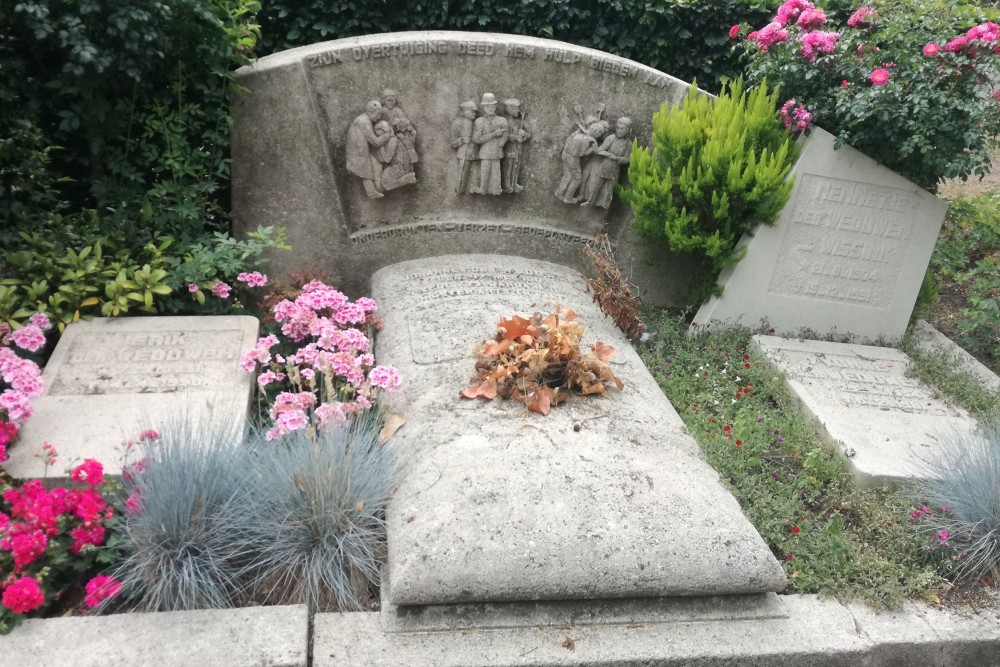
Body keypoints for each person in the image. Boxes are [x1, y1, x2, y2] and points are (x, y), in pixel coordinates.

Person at [582, 116, 632, 209]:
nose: (619, 131)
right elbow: (598, 150)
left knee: (610, 189)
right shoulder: (611, 138)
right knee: (597, 185)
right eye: (617, 128)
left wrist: (617, 158)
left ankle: (606, 206)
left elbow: (627, 159)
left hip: (615, 168)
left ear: (628, 130)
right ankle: (590, 201)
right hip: (605, 165)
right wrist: (607, 154)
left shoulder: (628, 143)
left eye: (622, 129)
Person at [345, 100, 392, 199]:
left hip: (358, 149)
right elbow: (375, 142)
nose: (379, 118)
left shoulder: (363, 119)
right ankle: (372, 193)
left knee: (366, 170)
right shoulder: (364, 122)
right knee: (365, 169)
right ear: (371, 112)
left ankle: (371, 192)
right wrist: (387, 135)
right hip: (358, 151)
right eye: (378, 114)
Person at [554, 120, 608, 204]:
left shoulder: (578, 134)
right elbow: (582, 154)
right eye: (599, 134)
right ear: (595, 131)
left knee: (567, 175)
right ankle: (568, 198)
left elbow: (569, 141)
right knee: (577, 179)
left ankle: (559, 192)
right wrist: (592, 149)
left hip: (565, 155)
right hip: (573, 158)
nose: (599, 136)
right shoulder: (589, 140)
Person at [471, 93, 508, 195]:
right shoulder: (479, 121)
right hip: (485, 151)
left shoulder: (502, 120)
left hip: (497, 150)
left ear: (495, 106)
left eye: (492, 106)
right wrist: (494, 134)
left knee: (496, 172)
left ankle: (496, 190)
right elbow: (477, 139)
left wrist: (501, 143)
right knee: (485, 172)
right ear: (483, 107)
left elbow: (506, 134)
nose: (491, 109)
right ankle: (483, 190)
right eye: (488, 106)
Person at [373, 120, 417, 191]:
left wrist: (380, 147)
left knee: (385, 182)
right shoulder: (393, 139)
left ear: (385, 132)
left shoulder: (392, 141)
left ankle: (408, 178)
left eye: (381, 136)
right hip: (402, 165)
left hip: (400, 167)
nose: (381, 139)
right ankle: (407, 178)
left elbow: (387, 159)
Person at [501, 98, 531, 193]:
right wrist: (514, 137)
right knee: (508, 166)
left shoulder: (519, 121)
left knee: (516, 166)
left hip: (518, 148)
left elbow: (530, 133)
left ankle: (514, 183)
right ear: (510, 108)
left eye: (518, 108)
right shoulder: (504, 120)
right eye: (516, 108)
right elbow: (503, 135)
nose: (518, 111)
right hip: (509, 149)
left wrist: (524, 135)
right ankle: (507, 185)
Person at [451, 100, 477, 193]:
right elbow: (453, 142)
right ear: (463, 111)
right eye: (471, 111)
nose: (474, 113)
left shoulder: (476, 123)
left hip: (476, 153)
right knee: (462, 172)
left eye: (475, 111)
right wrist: (462, 140)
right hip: (463, 152)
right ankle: (459, 190)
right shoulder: (457, 123)